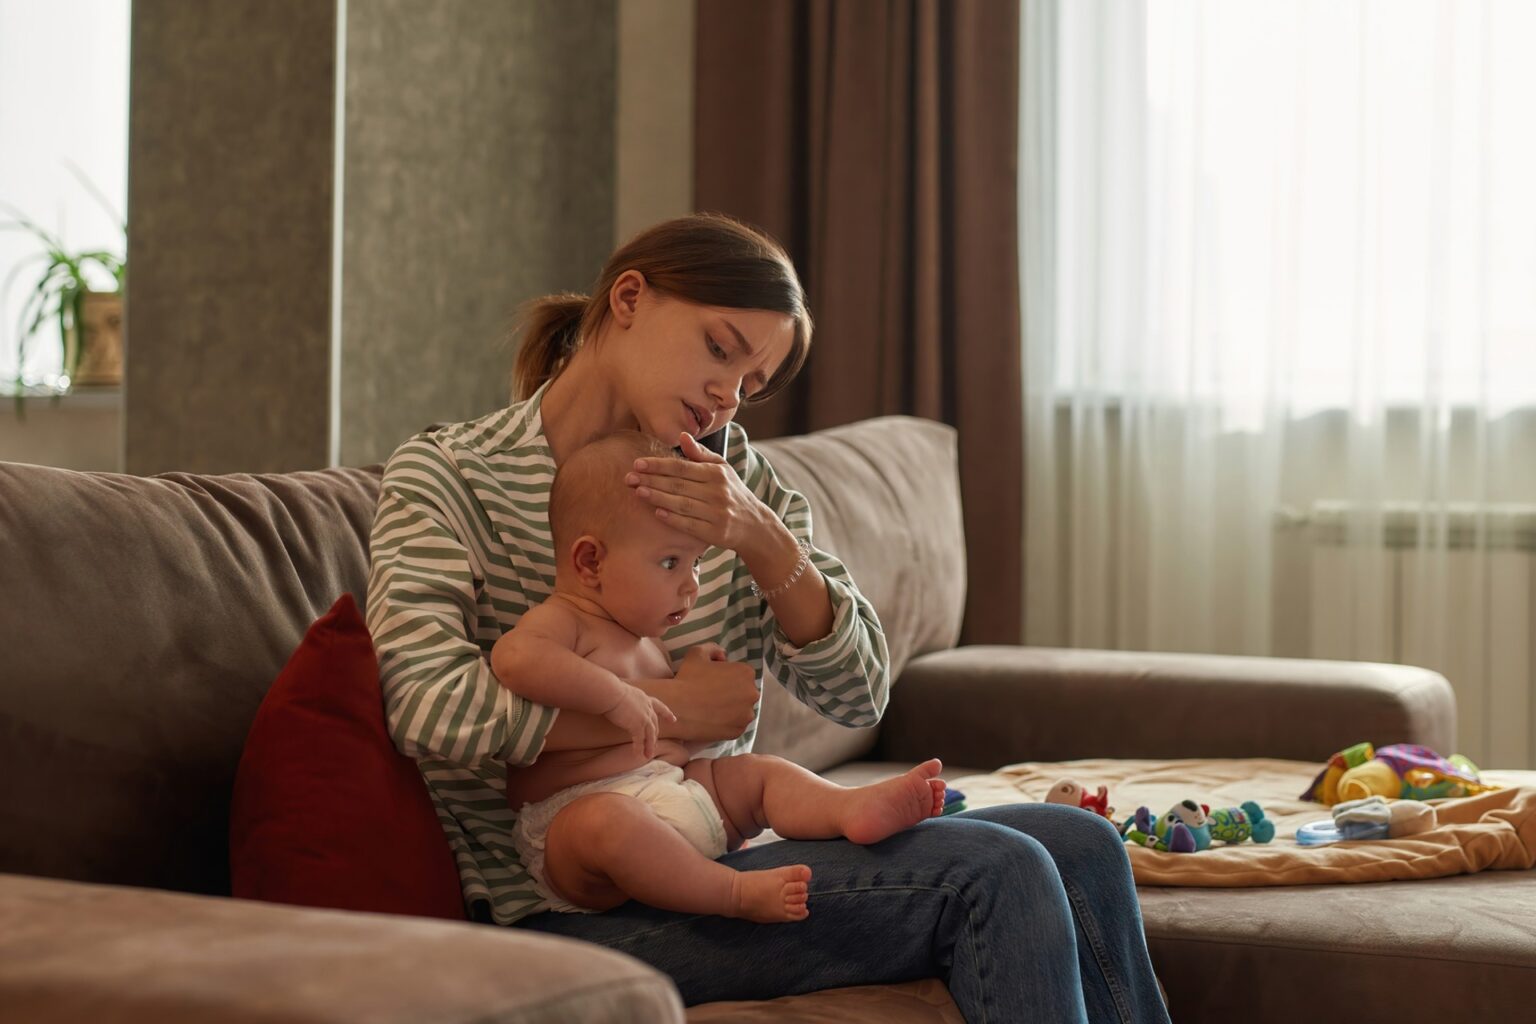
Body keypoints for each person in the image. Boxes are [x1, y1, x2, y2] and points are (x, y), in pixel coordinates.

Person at [366, 213, 1171, 1021]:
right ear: (630, 298)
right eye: (720, 349)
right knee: (1000, 870)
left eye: (752, 384)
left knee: (1084, 845)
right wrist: (676, 712)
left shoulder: (737, 477)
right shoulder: (451, 477)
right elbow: (426, 707)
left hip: (715, 843)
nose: (727, 397)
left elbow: (861, 696)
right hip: (570, 911)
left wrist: (757, 534)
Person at [491, 429, 949, 923]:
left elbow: (672, 739)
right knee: (610, 823)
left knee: (757, 775)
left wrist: (687, 676)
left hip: (676, 793)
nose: (690, 586)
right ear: (590, 560)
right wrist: (613, 695)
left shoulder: (644, 638)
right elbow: (514, 658)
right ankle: (733, 892)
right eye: (670, 562)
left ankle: (846, 808)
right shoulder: (566, 620)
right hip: (577, 823)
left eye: (695, 563)